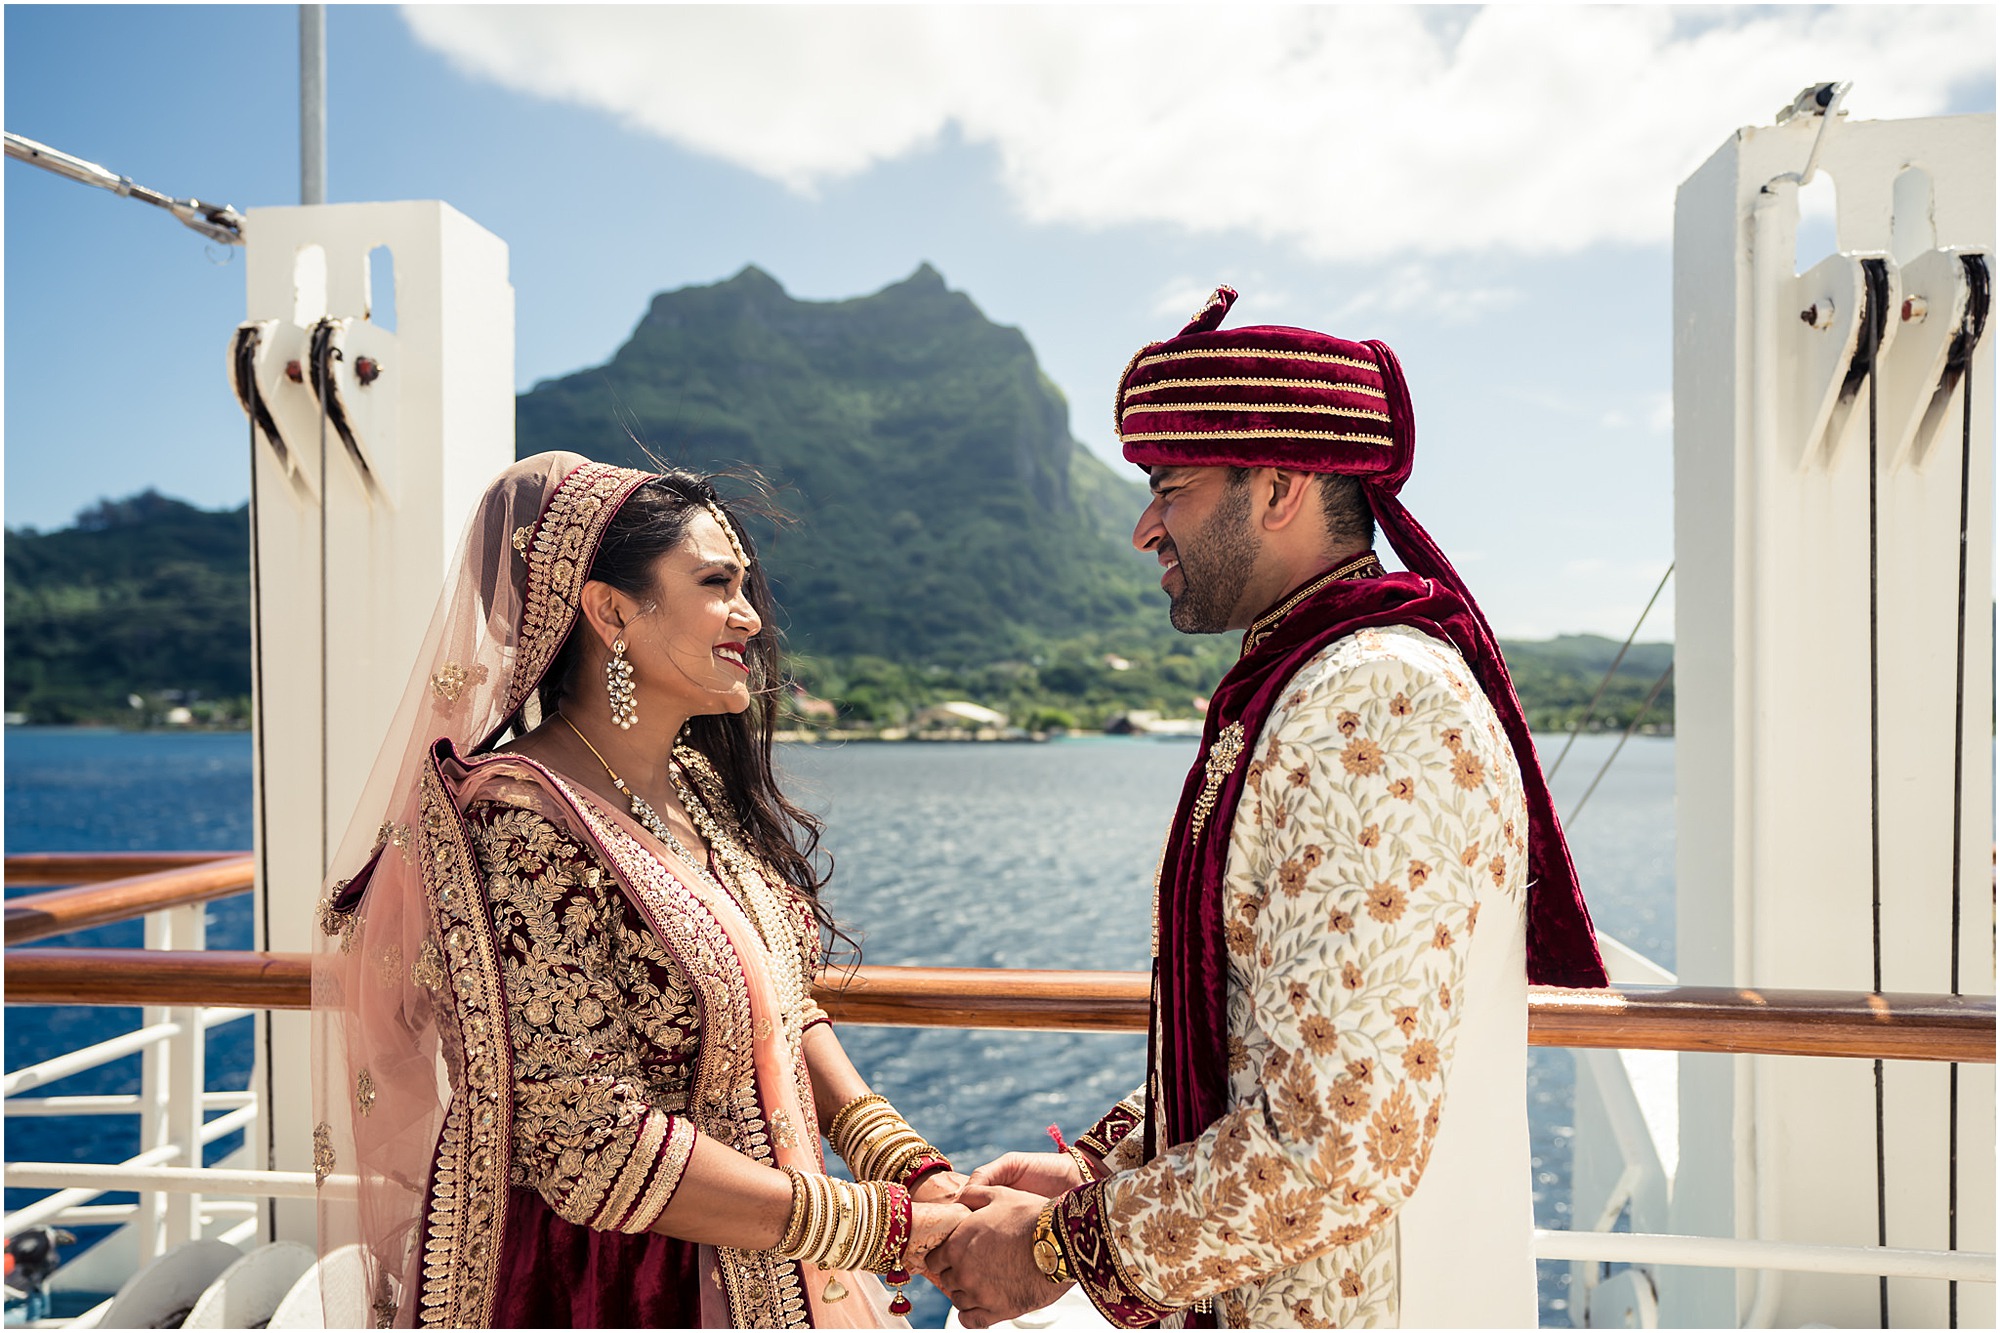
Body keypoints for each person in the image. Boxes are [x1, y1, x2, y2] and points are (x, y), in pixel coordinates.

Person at [931, 289, 1609, 1328]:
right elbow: (1270, 1032)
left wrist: (1052, 1253)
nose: (1141, 528)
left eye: (1171, 488)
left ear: (1281, 486)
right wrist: (1102, 1168)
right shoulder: (1312, 683)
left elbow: (1338, 1144)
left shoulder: (1373, 702)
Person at [312, 453, 968, 1328]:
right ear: (611, 610)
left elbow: (775, 1002)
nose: (751, 617)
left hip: (766, 1249)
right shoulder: (520, 822)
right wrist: (878, 1226)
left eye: (746, 586)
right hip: (615, 1281)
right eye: (716, 584)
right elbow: (589, 1141)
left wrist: (904, 1161)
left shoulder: (688, 784)